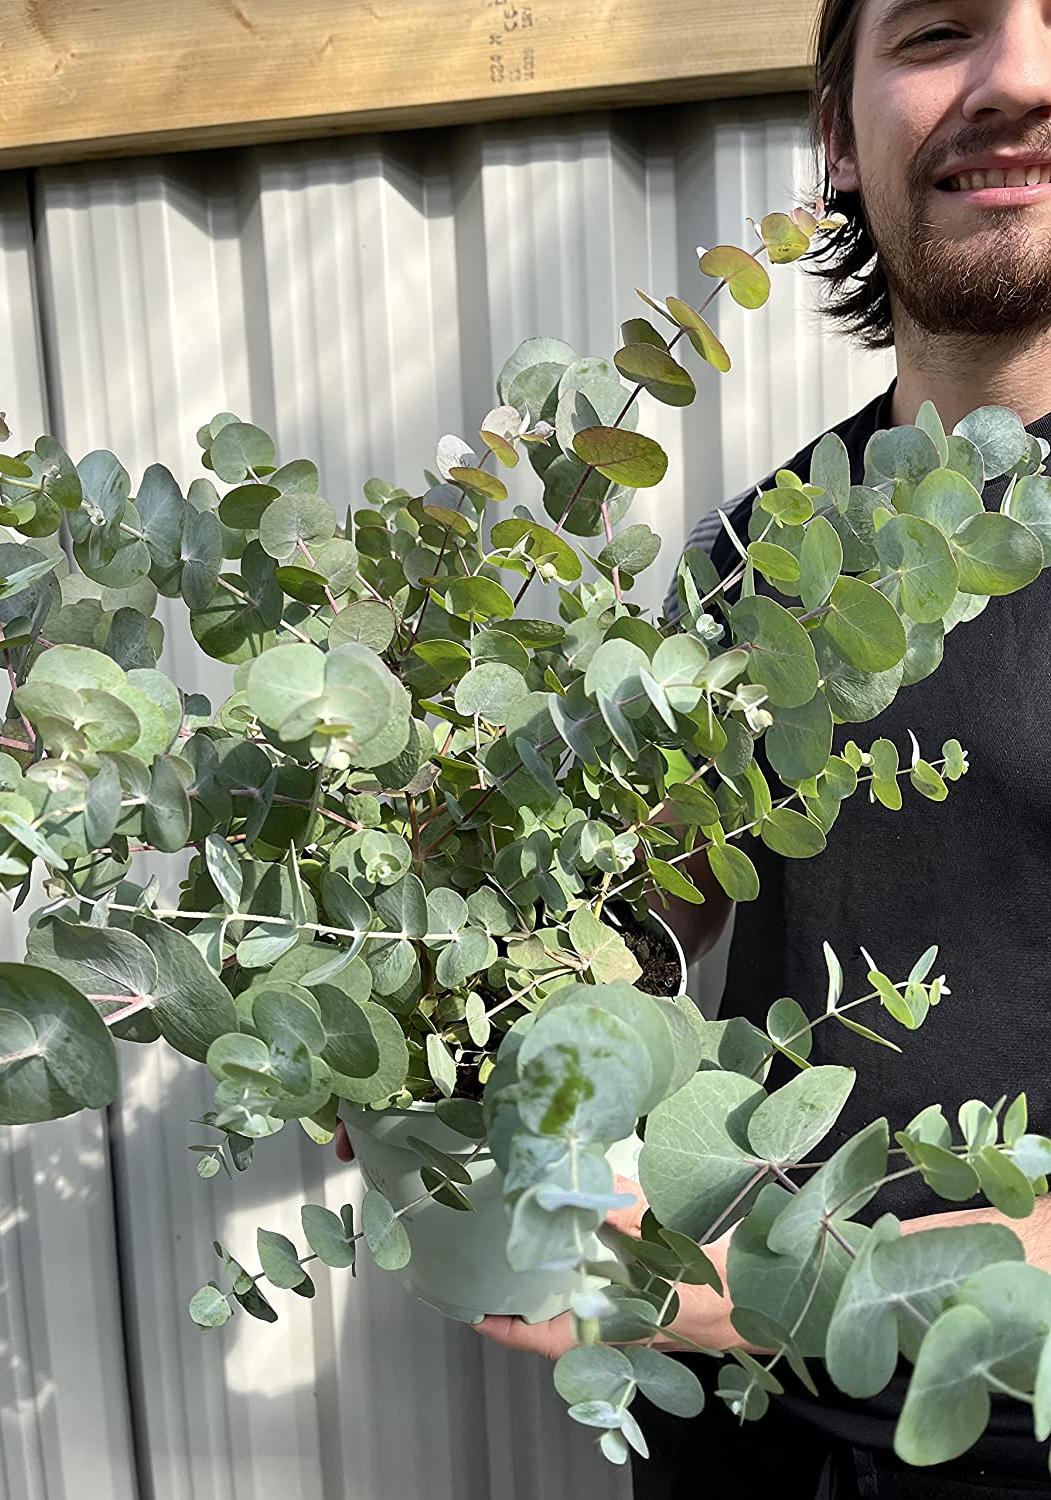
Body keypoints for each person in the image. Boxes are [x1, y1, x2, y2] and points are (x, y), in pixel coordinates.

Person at [465, 1, 1051, 1496]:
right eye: (941, 28)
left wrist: (774, 1287)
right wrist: (452, 1023)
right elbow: (645, 920)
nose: (1017, 75)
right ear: (835, 131)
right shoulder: (757, 549)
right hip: (730, 1440)